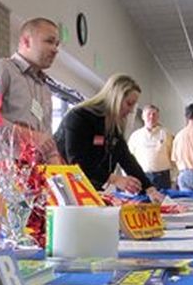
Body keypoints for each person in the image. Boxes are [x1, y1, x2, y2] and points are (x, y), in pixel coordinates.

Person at [53, 74, 165, 202]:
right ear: (115, 98)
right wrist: (115, 179)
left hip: (90, 187)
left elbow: (126, 158)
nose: (130, 111)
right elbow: (78, 162)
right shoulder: (79, 117)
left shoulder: (113, 127)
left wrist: (149, 188)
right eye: (129, 104)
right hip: (63, 186)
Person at [0, 17, 62, 162]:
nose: (55, 49)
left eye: (57, 44)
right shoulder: (3, 68)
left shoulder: (45, 88)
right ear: (26, 41)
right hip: (2, 170)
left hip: (35, 174)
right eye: (49, 41)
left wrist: (55, 160)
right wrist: (29, 136)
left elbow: (46, 137)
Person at [127, 104, 176, 190]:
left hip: (162, 177)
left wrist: (174, 176)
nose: (151, 117)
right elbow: (128, 158)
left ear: (158, 117)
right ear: (143, 116)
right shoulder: (135, 136)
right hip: (142, 176)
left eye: (154, 114)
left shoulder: (166, 134)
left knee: (164, 202)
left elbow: (174, 155)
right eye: (148, 114)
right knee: (143, 203)